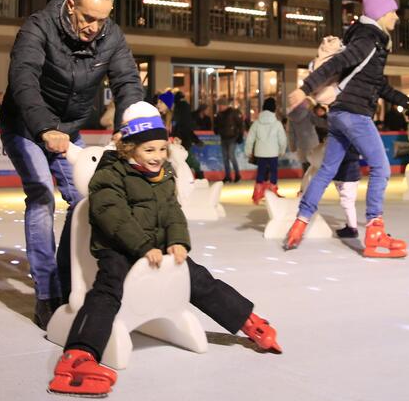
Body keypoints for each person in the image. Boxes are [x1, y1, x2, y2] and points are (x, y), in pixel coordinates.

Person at [46, 102, 280, 397]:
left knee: (198, 278)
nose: (157, 157)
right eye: (149, 150)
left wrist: (177, 241)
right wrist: (143, 246)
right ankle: (77, 358)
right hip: (117, 248)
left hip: (154, 246)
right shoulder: (109, 174)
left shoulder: (164, 173)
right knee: (109, 288)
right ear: (129, 148)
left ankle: (247, 320)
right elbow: (113, 216)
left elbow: (172, 211)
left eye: (161, 149)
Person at [0, 0, 143, 329]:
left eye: (101, 20)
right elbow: (24, 79)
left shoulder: (111, 36)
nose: (94, 28)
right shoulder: (38, 27)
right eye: (88, 18)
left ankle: (70, 280)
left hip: (68, 129)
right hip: (26, 125)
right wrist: (45, 128)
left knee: (85, 198)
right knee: (41, 196)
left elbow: (127, 82)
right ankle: (47, 293)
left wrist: (132, 126)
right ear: (71, 7)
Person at [284, 0, 409, 257]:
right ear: (380, 14)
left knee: (326, 170)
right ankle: (375, 232)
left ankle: (300, 223)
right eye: (392, 12)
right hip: (355, 114)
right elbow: (340, 62)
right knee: (381, 168)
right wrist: (306, 88)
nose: (396, 18)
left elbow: (378, 84)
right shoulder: (369, 39)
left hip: (339, 114)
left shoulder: (370, 41)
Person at [245, 97, 288, 204]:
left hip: (260, 152)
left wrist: (248, 151)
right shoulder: (277, 124)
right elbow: (282, 139)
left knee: (261, 171)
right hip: (273, 152)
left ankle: (258, 193)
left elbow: (250, 138)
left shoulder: (257, 123)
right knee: (273, 172)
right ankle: (272, 191)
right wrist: (282, 150)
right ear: (274, 108)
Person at [214, 98, 244, 183]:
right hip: (223, 138)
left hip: (232, 138)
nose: (219, 107)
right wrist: (216, 129)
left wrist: (240, 135)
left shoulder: (233, 113)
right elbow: (217, 125)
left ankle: (237, 175)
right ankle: (228, 176)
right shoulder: (218, 114)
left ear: (225, 105)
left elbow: (240, 124)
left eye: (221, 105)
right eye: (219, 105)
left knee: (231, 156)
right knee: (225, 158)